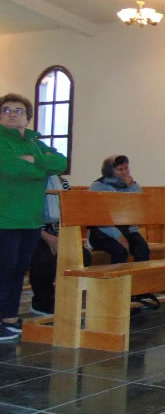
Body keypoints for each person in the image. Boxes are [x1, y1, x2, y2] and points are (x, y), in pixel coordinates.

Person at [0, 93, 67, 341]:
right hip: (5, 217)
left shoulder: (36, 142)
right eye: (6, 110)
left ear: (28, 117)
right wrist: (41, 168)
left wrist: (33, 159)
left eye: (18, 110)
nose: (12, 114)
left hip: (31, 218)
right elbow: (10, 168)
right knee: (4, 269)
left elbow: (61, 163)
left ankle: (8, 318)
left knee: (18, 270)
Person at [29, 175, 92, 315]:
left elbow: (71, 212)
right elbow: (28, 217)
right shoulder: (32, 182)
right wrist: (49, 238)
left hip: (61, 234)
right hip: (36, 234)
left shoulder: (63, 183)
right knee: (44, 259)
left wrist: (68, 239)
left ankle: (67, 298)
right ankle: (42, 303)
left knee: (83, 256)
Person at [87, 155, 150, 264]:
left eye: (126, 168)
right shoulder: (98, 186)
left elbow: (139, 205)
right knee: (120, 251)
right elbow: (99, 218)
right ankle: (115, 276)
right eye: (120, 169)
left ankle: (139, 275)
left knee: (142, 249)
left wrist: (131, 186)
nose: (125, 172)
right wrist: (118, 236)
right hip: (102, 233)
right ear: (110, 171)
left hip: (126, 230)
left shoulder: (133, 185)